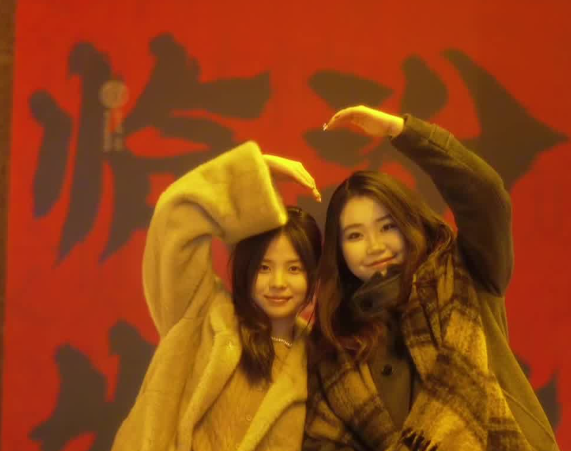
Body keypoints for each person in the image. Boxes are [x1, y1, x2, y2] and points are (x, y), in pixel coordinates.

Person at [303, 106, 559, 451]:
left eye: (387, 227)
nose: (374, 246)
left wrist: (402, 131)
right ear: (339, 251)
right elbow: (320, 441)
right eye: (355, 235)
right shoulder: (334, 343)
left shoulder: (465, 273)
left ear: (408, 224)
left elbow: (486, 196)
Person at [111, 141, 322, 451]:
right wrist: (256, 172)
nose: (278, 283)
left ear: (313, 276)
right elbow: (176, 218)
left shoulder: (319, 361)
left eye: (294, 269)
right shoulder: (206, 317)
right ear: (246, 270)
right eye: (264, 268)